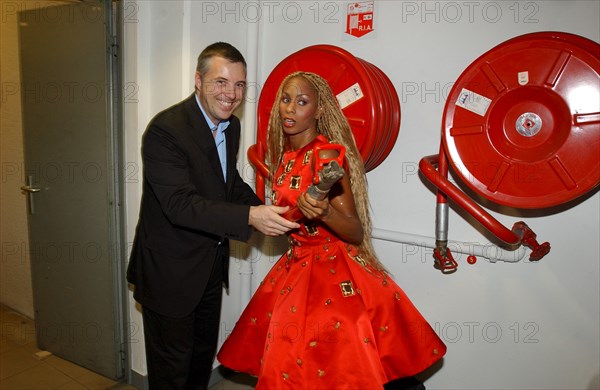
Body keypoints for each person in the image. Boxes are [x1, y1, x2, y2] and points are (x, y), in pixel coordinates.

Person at [217, 71, 447, 389]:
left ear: (319, 110)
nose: (290, 109)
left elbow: (354, 230)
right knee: (300, 364)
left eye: (302, 102)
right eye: (286, 100)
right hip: (296, 265)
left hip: (334, 270)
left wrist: (324, 211)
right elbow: (293, 219)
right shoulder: (285, 156)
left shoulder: (326, 156)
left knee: (342, 366)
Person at [126, 42, 299, 390]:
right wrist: (251, 216)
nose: (230, 94)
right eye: (220, 82)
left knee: (200, 361)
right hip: (170, 275)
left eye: (239, 85)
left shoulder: (230, 127)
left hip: (208, 268)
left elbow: (227, 182)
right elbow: (180, 204)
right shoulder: (166, 130)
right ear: (198, 81)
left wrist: (272, 209)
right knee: (172, 372)